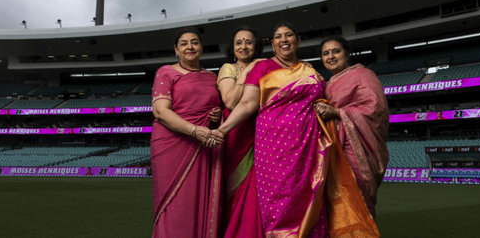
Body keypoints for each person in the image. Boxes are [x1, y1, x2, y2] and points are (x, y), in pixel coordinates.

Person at [216, 22, 379, 237]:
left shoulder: (310, 71)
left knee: (310, 201)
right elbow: (247, 104)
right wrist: (222, 130)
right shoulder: (261, 67)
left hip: (309, 149)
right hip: (273, 149)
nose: (284, 39)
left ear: (298, 40)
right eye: (278, 36)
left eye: (289, 35)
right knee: (278, 206)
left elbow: (330, 100)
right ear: (272, 44)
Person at [151, 27, 224, 238]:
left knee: (200, 200)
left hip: (204, 145)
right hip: (173, 145)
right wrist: (194, 130)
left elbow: (214, 109)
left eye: (194, 42)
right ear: (176, 50)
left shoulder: (212, 77)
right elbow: (160, 111)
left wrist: (215, 117)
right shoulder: (165, 72)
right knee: (175, 205)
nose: (189, 47)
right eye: (183, 44)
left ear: (201, 47)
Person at [314, 36, 390, 217]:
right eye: (326, 53)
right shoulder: (327, 84)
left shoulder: (362, 75)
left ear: (347, 54)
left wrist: (337, 112)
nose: (330, 56)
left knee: (358, 199)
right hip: (333, 148)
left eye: (336, 51)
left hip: (357, 147)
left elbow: (375, 109)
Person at [216, 26, 264, 237]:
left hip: (259, 135)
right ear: (232, 48)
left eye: (248, 42)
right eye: (239, 42)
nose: (243, 46)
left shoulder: (264, 66)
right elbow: (230, 101)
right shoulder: (228, 68)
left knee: (256, 193)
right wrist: (248, 70)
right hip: (235, 133)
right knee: (236, 191)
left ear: (256, 46)